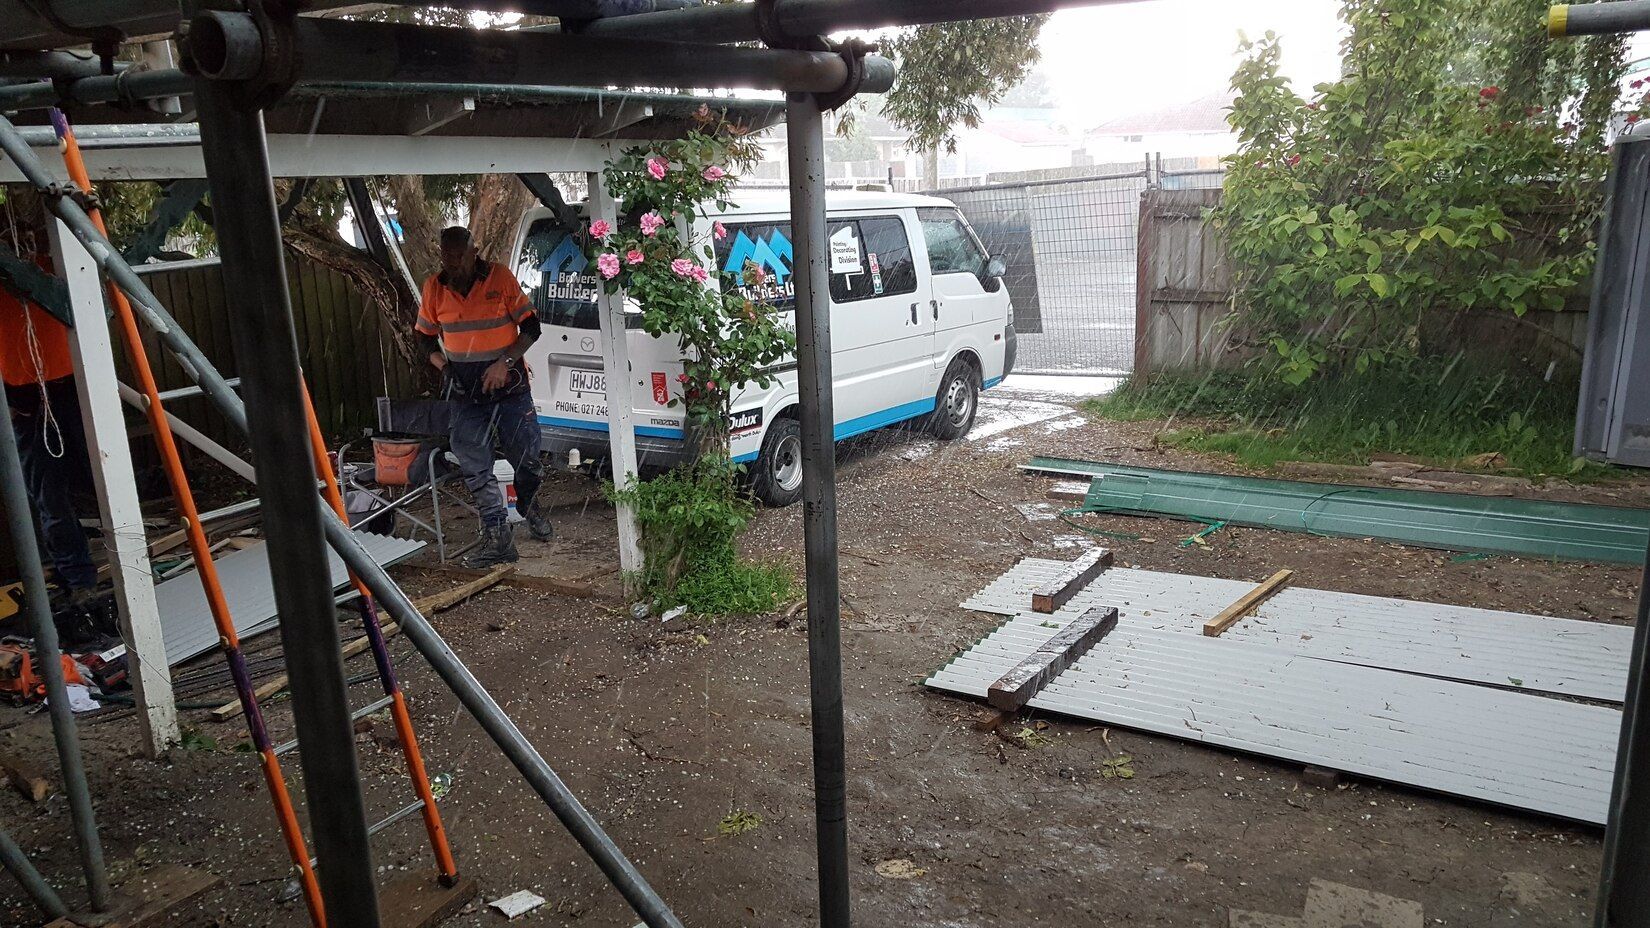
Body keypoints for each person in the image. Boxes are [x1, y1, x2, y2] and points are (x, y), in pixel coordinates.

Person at [415, 226, 552, 567]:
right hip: (466, 396)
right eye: (446, 256)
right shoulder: (435, 287)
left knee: (529, 462)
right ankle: (497, 535)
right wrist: (444, 369)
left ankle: (529, 502)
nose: (453, 263)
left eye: (459, 256)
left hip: (511, 389)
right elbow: (424, 340)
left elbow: (531, 327)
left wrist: (504, 363)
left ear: (474, 251)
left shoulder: (500, 279)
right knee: (476, 466)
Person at [0, 237, 105, 646]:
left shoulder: (56, 265)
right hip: (23, 396)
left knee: (103, 480)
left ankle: (130, 563)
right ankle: (79, 580)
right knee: (49, 497)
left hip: (72, 383)